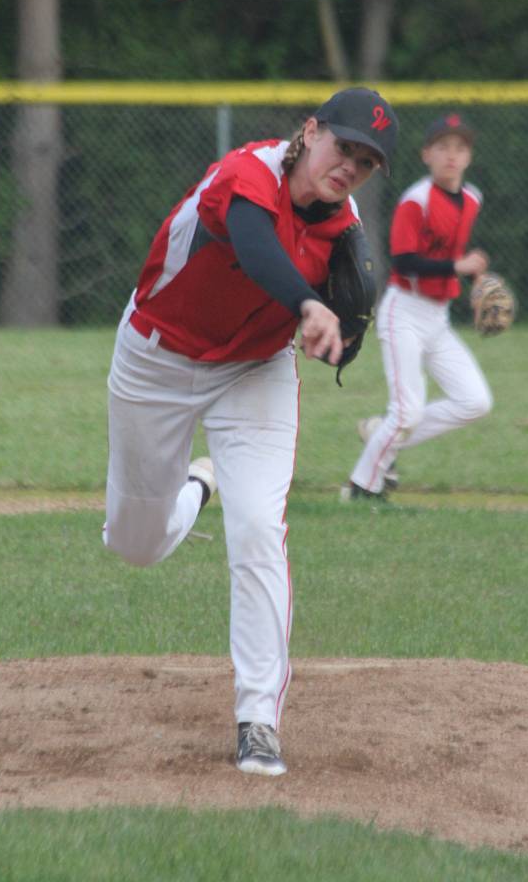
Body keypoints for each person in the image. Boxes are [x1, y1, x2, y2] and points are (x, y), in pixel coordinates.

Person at [103, 87, 399, 775]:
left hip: (254, 372)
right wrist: (304, 302)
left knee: (260, 529)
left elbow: (345, 309)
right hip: (157, 360)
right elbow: (254, 240)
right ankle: (197, 487)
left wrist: (339, 328)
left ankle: (257, 719)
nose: (349, 167)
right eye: (342, 146)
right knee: (135, 544)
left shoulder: (342, 228)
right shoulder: (247, 173)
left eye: (364, 161)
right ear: (309, 132)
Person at [344, 112, 492, 502]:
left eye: (460, 148)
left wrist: (474, 280)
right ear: (426, 154)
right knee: (407, 412)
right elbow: (404, 260)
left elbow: (450, 253)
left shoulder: (472, 198)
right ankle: (362, 489)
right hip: (404, 312)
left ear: (469, 156)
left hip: (437, 318)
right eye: (442, 147)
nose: (451, 155)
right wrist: (456, 267)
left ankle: (382, 435)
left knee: (475, 401)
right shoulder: (416, 199)